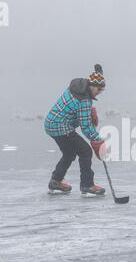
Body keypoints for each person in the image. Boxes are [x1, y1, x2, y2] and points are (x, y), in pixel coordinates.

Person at [44, 64, 107, 195]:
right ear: (91, 86)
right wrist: (98, 141)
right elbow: (85, 127)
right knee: (85, 151)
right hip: (61, 127)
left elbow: (74, 111)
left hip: (51, 123)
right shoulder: (84, 100)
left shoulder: (79, 88)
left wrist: (99, 72)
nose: (99, 92)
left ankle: (55, 181)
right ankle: (87, 184)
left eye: (102, 90)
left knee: (69, 153)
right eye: (98, 89)